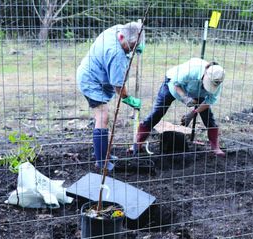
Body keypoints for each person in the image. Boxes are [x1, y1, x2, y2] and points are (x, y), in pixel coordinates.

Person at [77, 20, 145, 171]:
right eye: (131, 47)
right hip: (91, 81)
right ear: (122, 39)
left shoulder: (119, 29)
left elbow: (135, 31)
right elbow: (119, 86)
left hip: (93, 72)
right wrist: (129, 99)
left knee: (104, 117)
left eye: (135, 47)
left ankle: (104, 154)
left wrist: (137, 45)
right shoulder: (116, 54)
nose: (132, 51)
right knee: (103, 117)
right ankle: (101, 161)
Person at [134, 58, 226, 157]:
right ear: (205, 75)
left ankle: (215, 147)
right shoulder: (191, 71)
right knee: (158, 112)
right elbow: (176, 84)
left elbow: (209, 101)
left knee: (209, 118)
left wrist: (192, 113)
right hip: (172, 86)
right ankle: (138, 142)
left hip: (198, 93)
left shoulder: (217, 81)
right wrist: (185, 98)